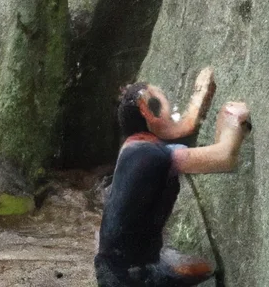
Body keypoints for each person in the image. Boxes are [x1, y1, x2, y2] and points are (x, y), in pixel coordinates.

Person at [94, 69, 251, 287]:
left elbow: (180, 130)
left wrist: (200, 95)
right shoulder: (154, 155)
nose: (171, 110)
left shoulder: (133, 148)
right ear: (148, 113)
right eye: (163, 104)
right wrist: (233, 118)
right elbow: (225, 157)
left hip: (112, 268)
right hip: (132, 277)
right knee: (206, 267)